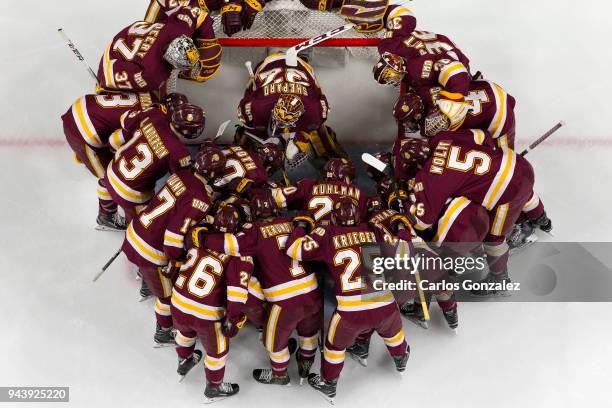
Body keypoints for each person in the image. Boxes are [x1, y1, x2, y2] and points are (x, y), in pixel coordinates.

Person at [285, 197, 409, 402]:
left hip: (351, 312)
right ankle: (400, 357)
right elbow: (403, 251)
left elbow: (293, 250)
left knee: (334, 347)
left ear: (333, 217)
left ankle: (329, 383)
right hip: (385, 304)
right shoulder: (373, 228)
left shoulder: (327, 234)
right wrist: (402, 227)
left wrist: (301, 225)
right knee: (393, 334)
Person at [198, 192, 322, 385]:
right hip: (313, 292)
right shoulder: (291, 221)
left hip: (285, 301)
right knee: (309, 332)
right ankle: (305, 364)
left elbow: (229, 245)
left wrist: (202, 238)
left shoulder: (254, 230)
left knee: (273, 342)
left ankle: (280, 375)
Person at [170, 204, 253, 402]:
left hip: (178, 301)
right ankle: (214, 388)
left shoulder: (198, 240)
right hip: (206, 313)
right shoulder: (239, 255)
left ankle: (184, 359)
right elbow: (236, 294)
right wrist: (233, 319)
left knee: (184, 332)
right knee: (218, 351)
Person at [61, 90, 155, 230]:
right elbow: (115, 140)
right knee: (112, 177)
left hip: (81, 106)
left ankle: (88, 155)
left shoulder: (153, 98)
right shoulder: (148, 121)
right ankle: (106, 217)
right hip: (82, 134)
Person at [235, 54, 346, 169]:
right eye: (280, 114)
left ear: (300, 114)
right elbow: (248, 96)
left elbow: (318, 97)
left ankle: (337, 166)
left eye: (287, 119)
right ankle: (239, 159)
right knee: (249, 134)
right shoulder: (257, 109)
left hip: (299, 68)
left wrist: (298, 144)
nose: (281, 121)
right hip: (268, 66)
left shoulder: (313, 111)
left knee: (318, 133)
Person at [104, 103, 209, 222]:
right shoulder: (180, 152)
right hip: (131, 195)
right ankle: (127, 222)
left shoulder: (155, 114)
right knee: (141, 223)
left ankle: (105, 215)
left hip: (111, 171)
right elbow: (184, 181)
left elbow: (125, 120)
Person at [97, 6, 218, 94]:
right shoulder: (153, 74)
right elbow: (106, 75)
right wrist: (105, 89)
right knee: (144, 104)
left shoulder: (178, 29)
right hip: (114, 56)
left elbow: (196, 12)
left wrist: (209, 42)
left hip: (133, 33)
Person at [271, 158, 367, 224]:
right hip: (340, 242)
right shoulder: (358, 193)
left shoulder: (307, 185)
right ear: (345, 177)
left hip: (310, 239)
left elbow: (276, 198)